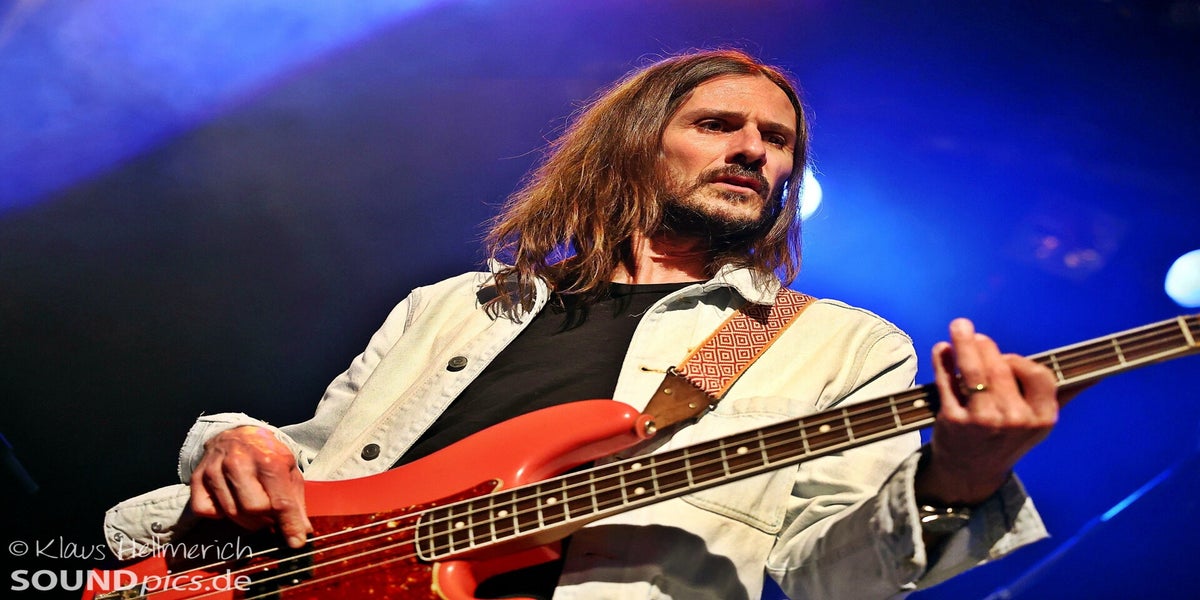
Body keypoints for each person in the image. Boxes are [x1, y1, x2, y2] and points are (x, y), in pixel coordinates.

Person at [104, 50, 1062, 599]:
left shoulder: (842, 348)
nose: (754, 152)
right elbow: (322, 468)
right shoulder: (455, 306)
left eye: (777, 141)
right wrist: (240, 443)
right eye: (719, 125)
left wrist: (961, 478)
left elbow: (830, 577)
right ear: (632, 145)